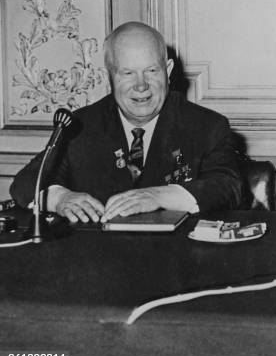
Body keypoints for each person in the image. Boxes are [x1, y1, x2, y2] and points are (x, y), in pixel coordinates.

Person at [10, 21, 242, 223]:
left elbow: (228, 186)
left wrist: (158, 196)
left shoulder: (206, 125)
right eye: (127, 73)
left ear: (168, 71)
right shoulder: (80, 126)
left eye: (151, 70)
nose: (141, 86)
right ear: (109, 77)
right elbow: (26, 182)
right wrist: (61, 198)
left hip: (176, 261)